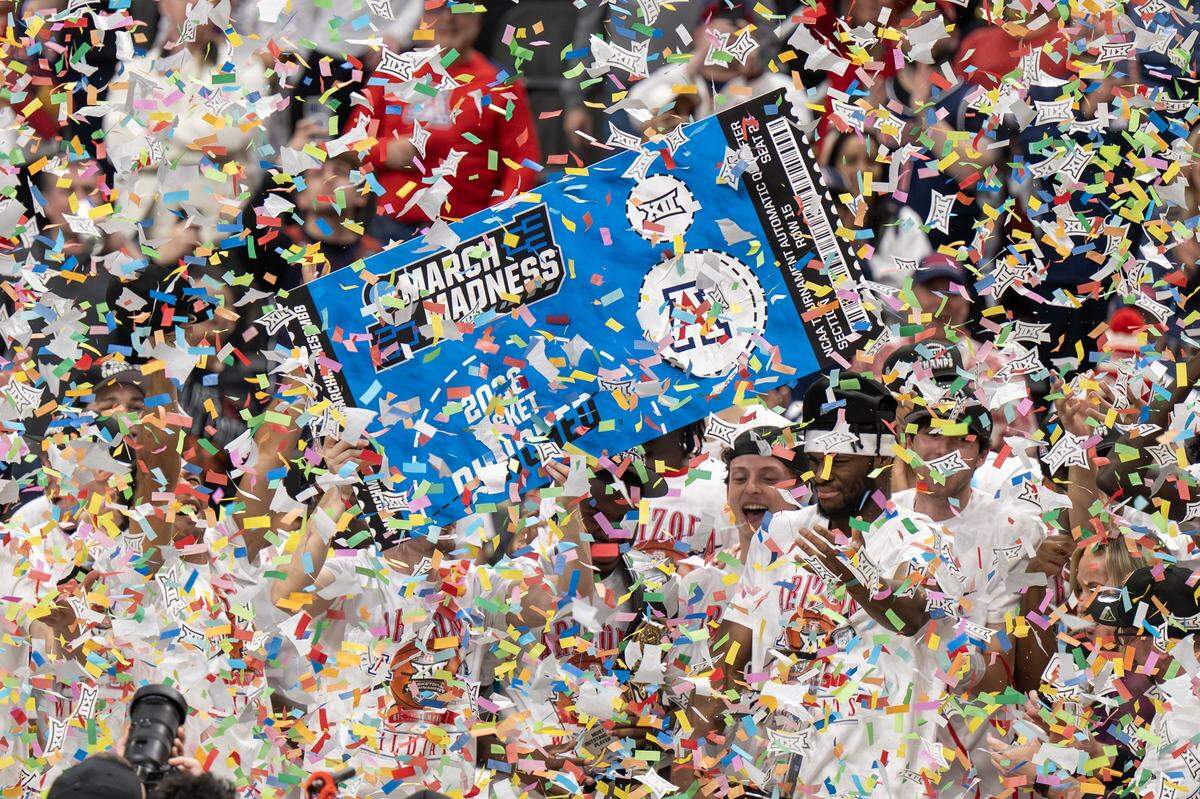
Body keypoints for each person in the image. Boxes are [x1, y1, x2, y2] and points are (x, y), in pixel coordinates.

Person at [893, 398, 1064, 794]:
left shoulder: (1019, 530)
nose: (941, 450)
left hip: (980, 758)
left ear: (983, 455)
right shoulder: (882, 523)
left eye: (961, 440)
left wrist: (1032, 581)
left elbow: (1029, 675)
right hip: (891, 752)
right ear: (910, 444)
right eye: (931, 435)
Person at [354, 2, 541, 245]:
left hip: (468, 232)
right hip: (390, 229)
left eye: (460, 10)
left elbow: (524, 159)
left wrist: (498, 219)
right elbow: (348, 145)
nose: (448, 19)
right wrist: (384, 151)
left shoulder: (500, 83)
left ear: (478, 19)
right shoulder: (392, 73)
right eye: (437, 10)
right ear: (422, 19)